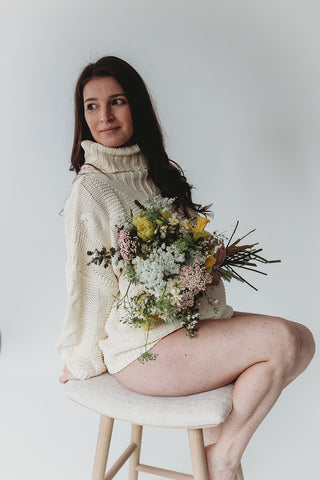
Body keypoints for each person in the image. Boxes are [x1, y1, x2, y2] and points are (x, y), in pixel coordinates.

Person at [56, 55, 315, 480]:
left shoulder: (160, 171)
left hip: (184, 326)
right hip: (141, 347)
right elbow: (91, 282)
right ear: (82, 116)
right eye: (91, 106)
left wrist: (203, 266)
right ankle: (222, 461)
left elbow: (185, 251)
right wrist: (80, 359)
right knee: (283, 340)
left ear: (136, 106)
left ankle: (218, 447)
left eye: (117, 101)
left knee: (302, 342)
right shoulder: (91, 187)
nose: (104, 115)